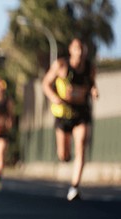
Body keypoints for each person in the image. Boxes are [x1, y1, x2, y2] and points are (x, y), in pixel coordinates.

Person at [42, 38, 99, 201]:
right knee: (64, 155)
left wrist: (94, 91)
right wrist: (54, 97)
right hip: (63, 113)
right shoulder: (61, 66)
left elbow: (92, 84)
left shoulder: (89, 68)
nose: (80, 53)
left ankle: (74, 187)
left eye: (82, 49)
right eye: (76, 49)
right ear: (70, 50)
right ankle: (65, 155)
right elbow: (45, 83)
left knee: (81, 144)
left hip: (81, 111)